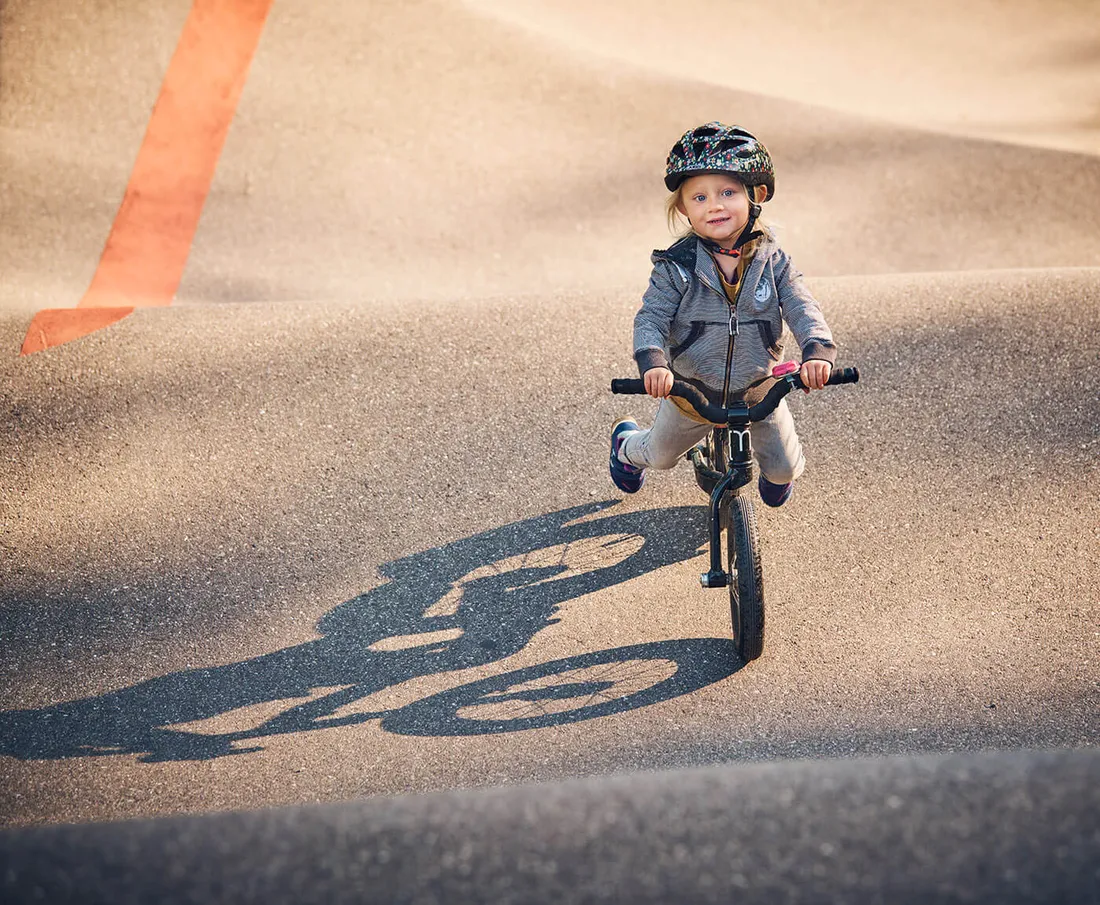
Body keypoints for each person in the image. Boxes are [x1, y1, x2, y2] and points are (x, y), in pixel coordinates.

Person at [610, 122, 837, 507]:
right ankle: (625, 445)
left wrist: (818, 351)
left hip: (759, 390)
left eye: (727, 192)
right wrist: (653, 363)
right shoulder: (676, 267)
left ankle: (775, 473)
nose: (714, 205)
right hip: (691, 393)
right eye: (698, 198)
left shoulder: (773, 262)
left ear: (756, 194)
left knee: (784, 468)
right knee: (661, 455)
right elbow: (651, 318)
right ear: (683, 208)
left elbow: (802, 305)